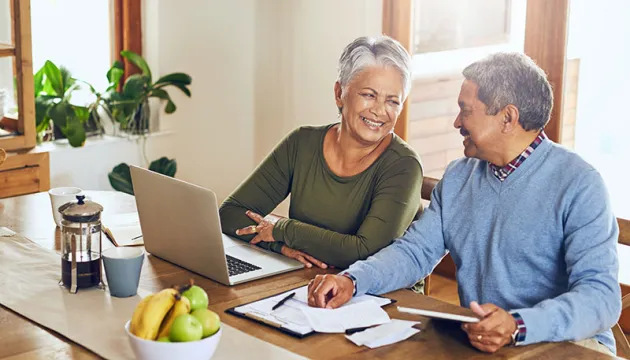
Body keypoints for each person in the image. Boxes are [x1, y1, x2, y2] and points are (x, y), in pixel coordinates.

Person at [306, 52, 621, 355]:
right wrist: (353, 279)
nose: (457, 121)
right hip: (483, 344)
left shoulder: (580, 184)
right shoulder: (459, 176)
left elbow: (601, 299)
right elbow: (414, 252)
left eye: (465, 109)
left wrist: (517, 326)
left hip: (568, 347)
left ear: (508, 118)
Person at [219, 35, 423, 270]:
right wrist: (280, 246)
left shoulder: (404, 166)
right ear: (339, 93)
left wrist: (283, 229)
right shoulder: (302, 143)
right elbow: (230, 214)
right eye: (369, 95)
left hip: (379, 295)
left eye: (392, 101)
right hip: (307, 280)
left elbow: (365, 252)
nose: (379, 110)